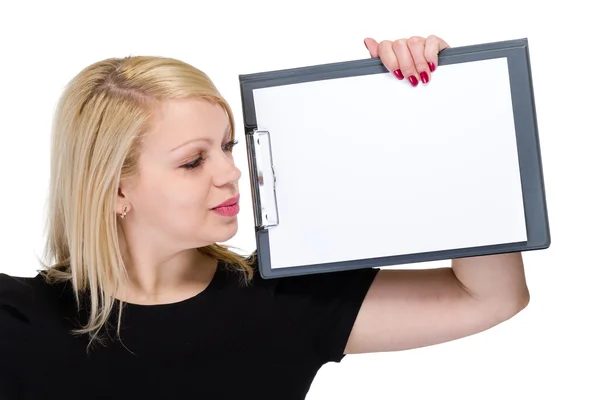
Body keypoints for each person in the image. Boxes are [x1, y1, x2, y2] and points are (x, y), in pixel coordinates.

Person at [0, 34, 530, 400]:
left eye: (228, 147)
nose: (231, 174)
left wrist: (454, 102)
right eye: (193, 160)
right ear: (115, 188)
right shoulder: (15, 319)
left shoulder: (284, 302)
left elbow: (492, 297)